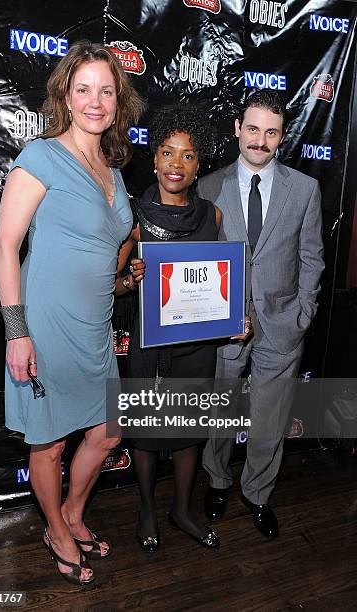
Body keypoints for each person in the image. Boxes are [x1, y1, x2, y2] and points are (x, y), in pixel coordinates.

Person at [0, 40, 144, 587]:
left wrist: (129, 280)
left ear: (117, 99)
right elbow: (5, 245)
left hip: (97, 327)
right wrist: (17, 333)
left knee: (107, 433)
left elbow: (107, 254)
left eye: (106, 90)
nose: (95, 101)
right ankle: (56, 528)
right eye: (84, 90)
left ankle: (75, 513)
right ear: (66, 95)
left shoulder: (114, 170)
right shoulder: (40, 157)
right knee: (50, 441)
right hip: (47, 326)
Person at [118, 105, 251, 552]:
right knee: (144, 431)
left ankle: (181, 509)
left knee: (190, 427)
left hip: (195, 343)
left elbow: (218, 280)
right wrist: (130, 279)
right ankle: (148, 509)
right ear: (153, 157)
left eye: (188, 155)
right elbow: (112, 287)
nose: (177, 163)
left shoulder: (211, 216)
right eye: (168, 153)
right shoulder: (132, 215)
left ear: (199, 165)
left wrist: (233, 318)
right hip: (148, 341)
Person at [198, 90, 325, 538]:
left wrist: (303, 313)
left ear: (282, 136)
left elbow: (312, 257)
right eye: (252, 129)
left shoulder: (305, 189)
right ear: (237, 128)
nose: (260, 140)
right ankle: (216, 480)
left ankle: (258, 493)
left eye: (271, 132)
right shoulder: (208, 186)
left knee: (270, 418)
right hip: (224, 328)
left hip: (282, 324)